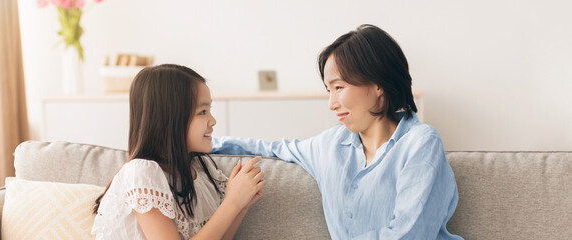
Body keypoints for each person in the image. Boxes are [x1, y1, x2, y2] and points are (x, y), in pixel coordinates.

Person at [211, 24, 463, 239]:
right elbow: (268, 149)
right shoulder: (329, 145)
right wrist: (195, 141)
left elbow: (409, 235)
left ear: (378, 84)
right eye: (328, 90)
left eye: (339, 87)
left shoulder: (421, 143)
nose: (331, 104)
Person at [92, 64, 266, 240]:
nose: (212, 121)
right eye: (202, 112)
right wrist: (232, 203)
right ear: (168, 119)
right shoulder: (142, 173)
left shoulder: (201, 169)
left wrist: (242, 205)